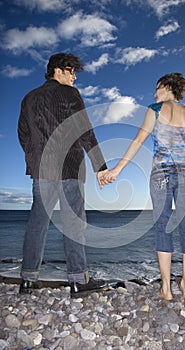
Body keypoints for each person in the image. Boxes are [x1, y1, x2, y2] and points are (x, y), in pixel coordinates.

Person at [104, 73, 185, 300]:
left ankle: (166, 288)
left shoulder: (155, 109)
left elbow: (139, 139)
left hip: (161, 173)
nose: (154, 93)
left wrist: (117, 170)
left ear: (168, 87)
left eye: (157, 88)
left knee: (163, 226)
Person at [18, 52, 109, 298]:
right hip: (69, 166)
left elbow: (23, 135)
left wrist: (35, 159)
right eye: (71, 71)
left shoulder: (29, 98)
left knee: (37, 224)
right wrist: (99, 166)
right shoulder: (70, 94)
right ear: (58, 70)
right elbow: (84, 131)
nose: (74, 76)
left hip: (42, 169)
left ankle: (27, 281)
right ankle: (78, 281)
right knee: (72, 224)